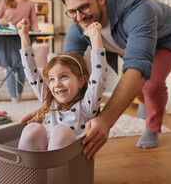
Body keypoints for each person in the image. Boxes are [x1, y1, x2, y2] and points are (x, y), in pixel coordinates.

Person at [53, 0, 171, 160]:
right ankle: (143, 102)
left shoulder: (138, 9)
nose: (79, 17)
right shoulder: (78, 23)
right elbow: (67, 67)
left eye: (84, 7)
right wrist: (50, 109)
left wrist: (105, 119)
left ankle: (153, 127)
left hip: (167, 37)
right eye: (72, 11)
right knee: (134, 81)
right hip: (132, 42)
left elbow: (139, 67)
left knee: (151, 84)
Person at [17, 19, 106, 151]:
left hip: (69, 164)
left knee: (60, 132)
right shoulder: (49, 100)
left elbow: (98, 77)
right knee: (32, 128)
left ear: (81, 81)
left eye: (64, 76)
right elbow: (32, 74)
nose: (57, 84)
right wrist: (24, 36)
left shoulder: (86, 107)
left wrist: (95, 36)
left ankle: (54, 172)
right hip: (43, 162)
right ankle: (25, 170)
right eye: (52, 79)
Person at [0, 0, 38, 104]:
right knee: (10, 67)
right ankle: (13, 99)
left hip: (22, 37)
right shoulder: (5, 2)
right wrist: (1, 21)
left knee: (21, 67)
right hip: (8, 38)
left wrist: (36, 33)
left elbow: (34, 23)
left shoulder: (30, 4)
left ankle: (19, 95)